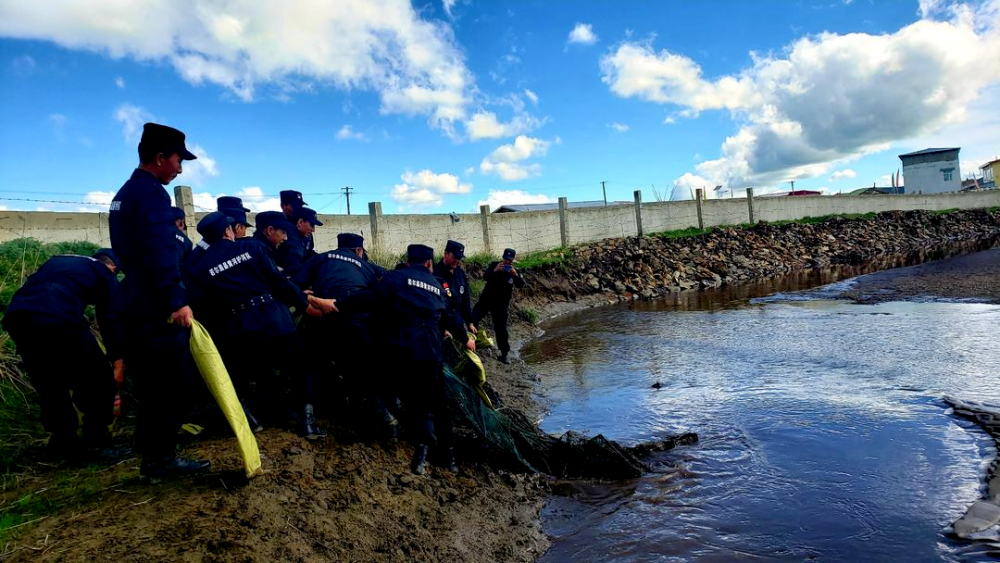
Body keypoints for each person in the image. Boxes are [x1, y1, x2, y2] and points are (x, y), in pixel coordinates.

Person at [108, 122, 209, 482]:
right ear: (160, 157)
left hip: (135, 299)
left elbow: (130, 251)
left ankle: (151, 449)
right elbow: (160, 251)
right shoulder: (152, 194)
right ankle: (161, 460)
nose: (180, 169)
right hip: (155, 305)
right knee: (173, 383)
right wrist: (176, 299)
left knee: (152, 383)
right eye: (178, 160)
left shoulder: (126, 192)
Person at [190, 212, 336, 438]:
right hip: (272, 319)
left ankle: (251, 420)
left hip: (238, 330)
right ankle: (307, 424)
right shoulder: (251, 248)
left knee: (243, 375)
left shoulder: (200, 269)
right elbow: (278, 284)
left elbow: (204, 307)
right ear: (227, 231)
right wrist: (305, 304)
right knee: (301, 365)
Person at [338, 244, 473, 475]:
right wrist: (465, 339)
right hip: (429, 350)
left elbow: (368, 299)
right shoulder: (436, 285)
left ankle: (401, 434)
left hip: (399, 348)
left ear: (408, 261)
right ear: (429, 263)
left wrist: (338, 304)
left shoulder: (394, 278)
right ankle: (446, 455)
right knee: (435, 401)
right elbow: (449, 317)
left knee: (391, 390)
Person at [2, 249, 126, 462]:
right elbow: (110, 318)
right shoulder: (104, 273)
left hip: (19, 317)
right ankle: (95, 444)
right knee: (98, 378)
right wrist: (118, 360)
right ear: (113, 267)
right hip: (59, 317)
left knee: (49, 381)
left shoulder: (58, 261)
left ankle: (64, 442)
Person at [292, 233, 394, 435]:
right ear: (359, 250)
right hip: (355, 316)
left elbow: (295, 285)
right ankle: (382, 413)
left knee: (310, 364)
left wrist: (310, 298)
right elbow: (384, 287)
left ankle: (308, 419)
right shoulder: (366, 265)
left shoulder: (320, 258)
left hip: (322, 316)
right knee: (365, 364)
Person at [471, 248, 525, 364]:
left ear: (513, 260)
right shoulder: (494, 265)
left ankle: (504, 354)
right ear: (503, 258)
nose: (507, 263)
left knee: (501, 328)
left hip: (501, 305)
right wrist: (495, 270)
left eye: (509, 261)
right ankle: (473, 343)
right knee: (473, 319)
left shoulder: (515, 271)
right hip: (486, 300)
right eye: (505, 260)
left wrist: (515, 275)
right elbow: (485, 277)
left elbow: (521, 284)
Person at [433, 240, 475, 335]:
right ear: (446, 254)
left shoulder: (460, 273)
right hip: (444, 324)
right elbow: (435, 306)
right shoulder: (436, 274)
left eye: (459, 258)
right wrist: (442, 328)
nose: (457, 261)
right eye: (454, 257)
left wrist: (470, 322)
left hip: (459, 322)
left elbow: (465, 299)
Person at [274, 206, 321, 277]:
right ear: (300, 222)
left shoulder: (305, 236)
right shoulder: (291, 237)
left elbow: (308, 253)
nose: (313, 230)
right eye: (312, 225)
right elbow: (293, 266)